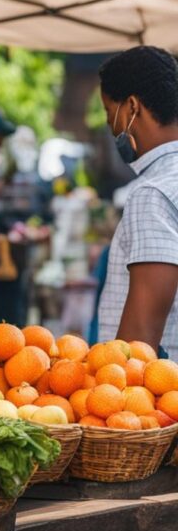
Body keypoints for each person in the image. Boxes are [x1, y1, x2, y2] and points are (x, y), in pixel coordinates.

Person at [96, 46, 178, 357]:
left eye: (108, 113)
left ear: (132, 107)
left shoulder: (153, 194)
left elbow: (139, 340)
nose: (111, 125)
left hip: (155, 397)